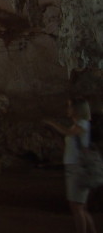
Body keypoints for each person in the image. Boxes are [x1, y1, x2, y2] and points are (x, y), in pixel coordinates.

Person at [45, 97, 99, 233]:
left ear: (77, 109)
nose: (68, 109)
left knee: (77, 208)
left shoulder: (83, 124)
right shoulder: (76, 125)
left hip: (78, 169)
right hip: (73, 168)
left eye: (70, 106)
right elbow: (70, 145)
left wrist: (52, 124)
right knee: (80, 207)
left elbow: (69, 133)